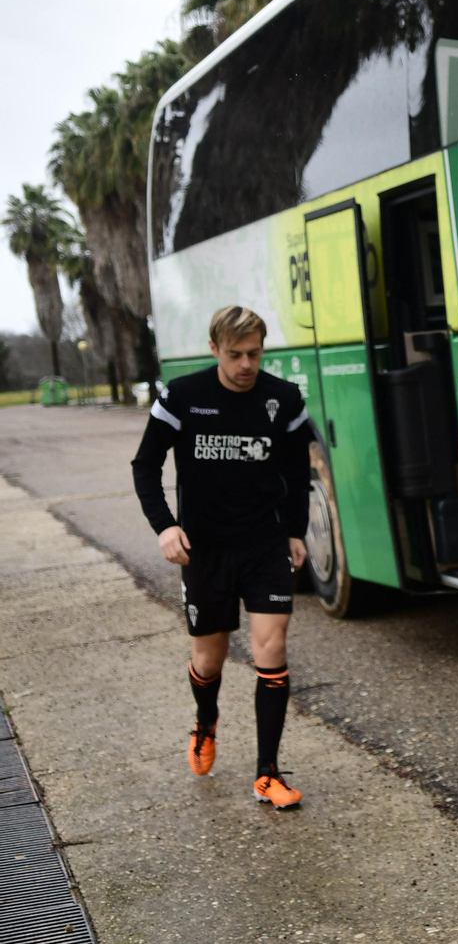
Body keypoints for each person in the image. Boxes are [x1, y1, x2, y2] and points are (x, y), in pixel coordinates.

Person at [131, 305, 312, 809]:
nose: (246, 364)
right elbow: (145, 466)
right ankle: (205, 722)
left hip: (265, 545)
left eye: (254, 353)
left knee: (270, 650)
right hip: (205, 550)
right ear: (214, 350)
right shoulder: (183, 396)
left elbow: (299, 474)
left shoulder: (284, 398)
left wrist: (295, 533)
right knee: (208, 660)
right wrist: (165, 526)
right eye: (234, 355)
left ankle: (267, 774)